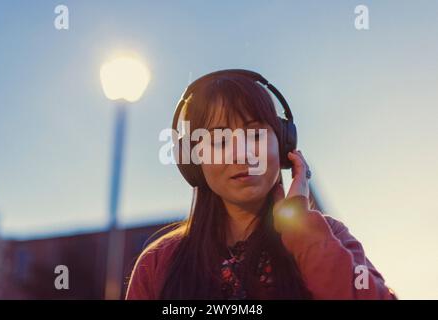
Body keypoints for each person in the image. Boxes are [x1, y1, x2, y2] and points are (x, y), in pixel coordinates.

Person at [126, 72, 396, 300]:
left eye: (255, 134)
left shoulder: (326, 236)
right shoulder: (158, 263)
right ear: (194, 160)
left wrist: (301, 231)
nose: (241, 154)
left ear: (283, 146)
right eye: (219, 141)